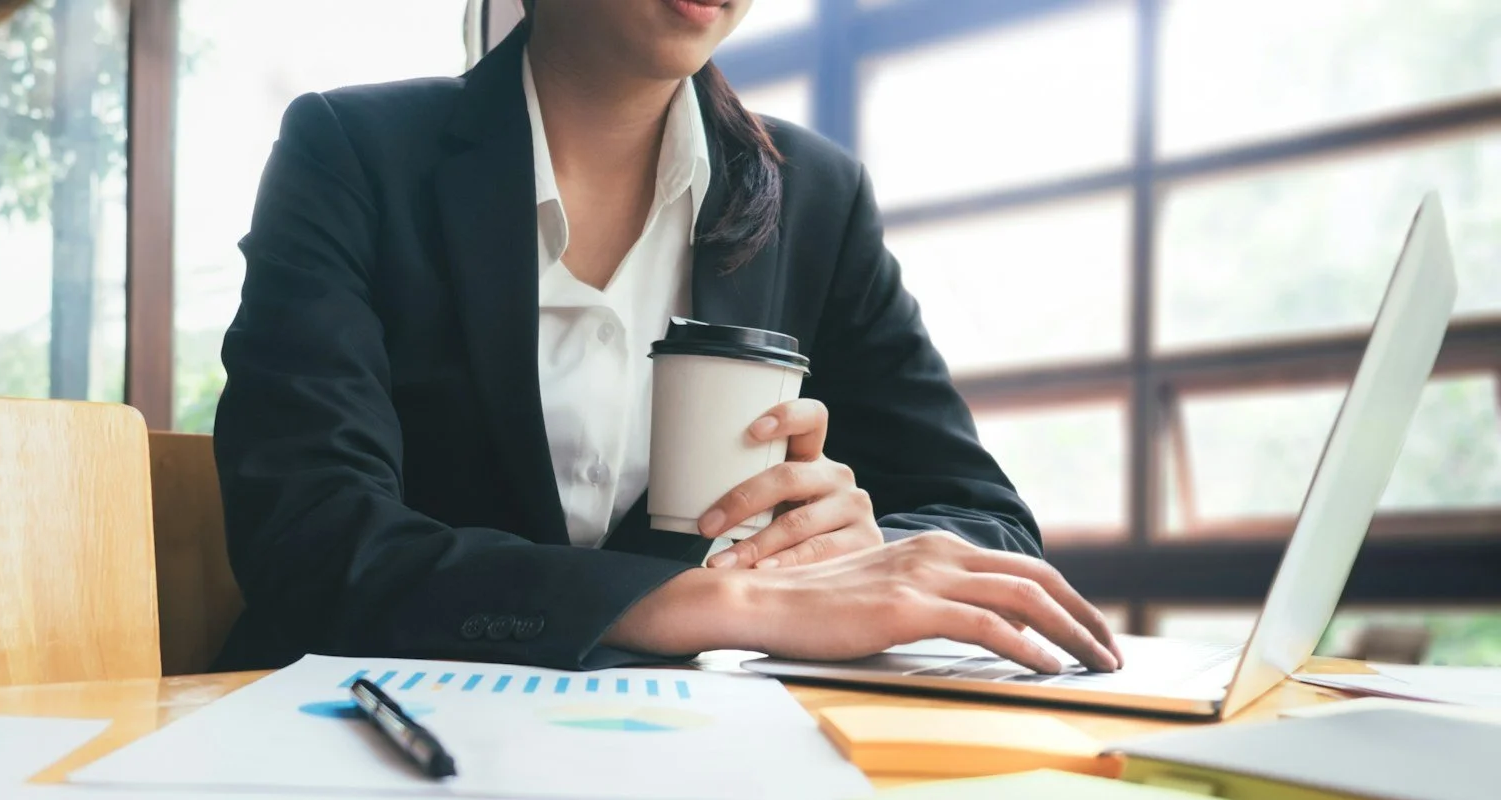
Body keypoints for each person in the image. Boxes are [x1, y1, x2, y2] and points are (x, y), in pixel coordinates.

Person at [211, 0, 1122, 675]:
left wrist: (854, 546)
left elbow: (985, 521)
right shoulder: (353, 151)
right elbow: (312, 539)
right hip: (361, 731)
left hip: (695, 749)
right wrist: (724, 601)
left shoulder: (815, 196)